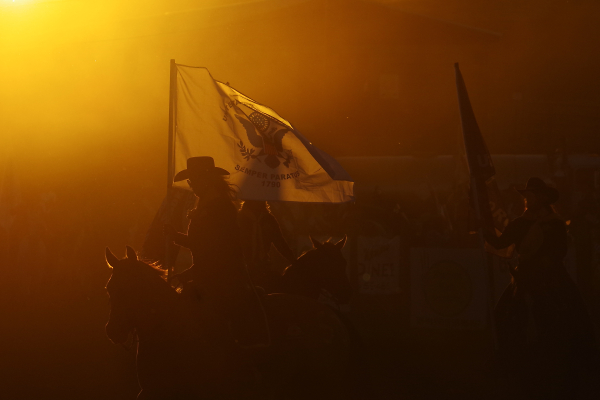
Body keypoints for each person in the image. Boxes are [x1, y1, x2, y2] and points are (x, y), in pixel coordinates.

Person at [484, 177, 596, 398]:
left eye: (531, 194)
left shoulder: (555, 223)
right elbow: (499, 243)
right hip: (524, 275)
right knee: (501, 313)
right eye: (526, 195)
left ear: (542, 198)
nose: (527, 199)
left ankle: (577, 362)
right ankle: (506, 361)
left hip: (551, 275)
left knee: (574, 311)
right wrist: (483, 225)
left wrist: (544, 263)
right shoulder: (519, 223)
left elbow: (559, 251)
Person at [163, 156, 269, 349]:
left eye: (194, 181)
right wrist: (174, 236)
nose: (192, 185)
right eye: (190, 181)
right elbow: (201, 244)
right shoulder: (206, 206)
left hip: (224, 277)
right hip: (207, 273)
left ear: (207, 180)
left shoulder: (220, 208)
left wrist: (194, 269)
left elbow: (216, 248)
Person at [238, 200, 295, 291]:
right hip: (242, 268)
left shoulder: (268, 219)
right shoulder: (239, 219)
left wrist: (293, 261)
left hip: (263, 266)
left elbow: (280, 243)